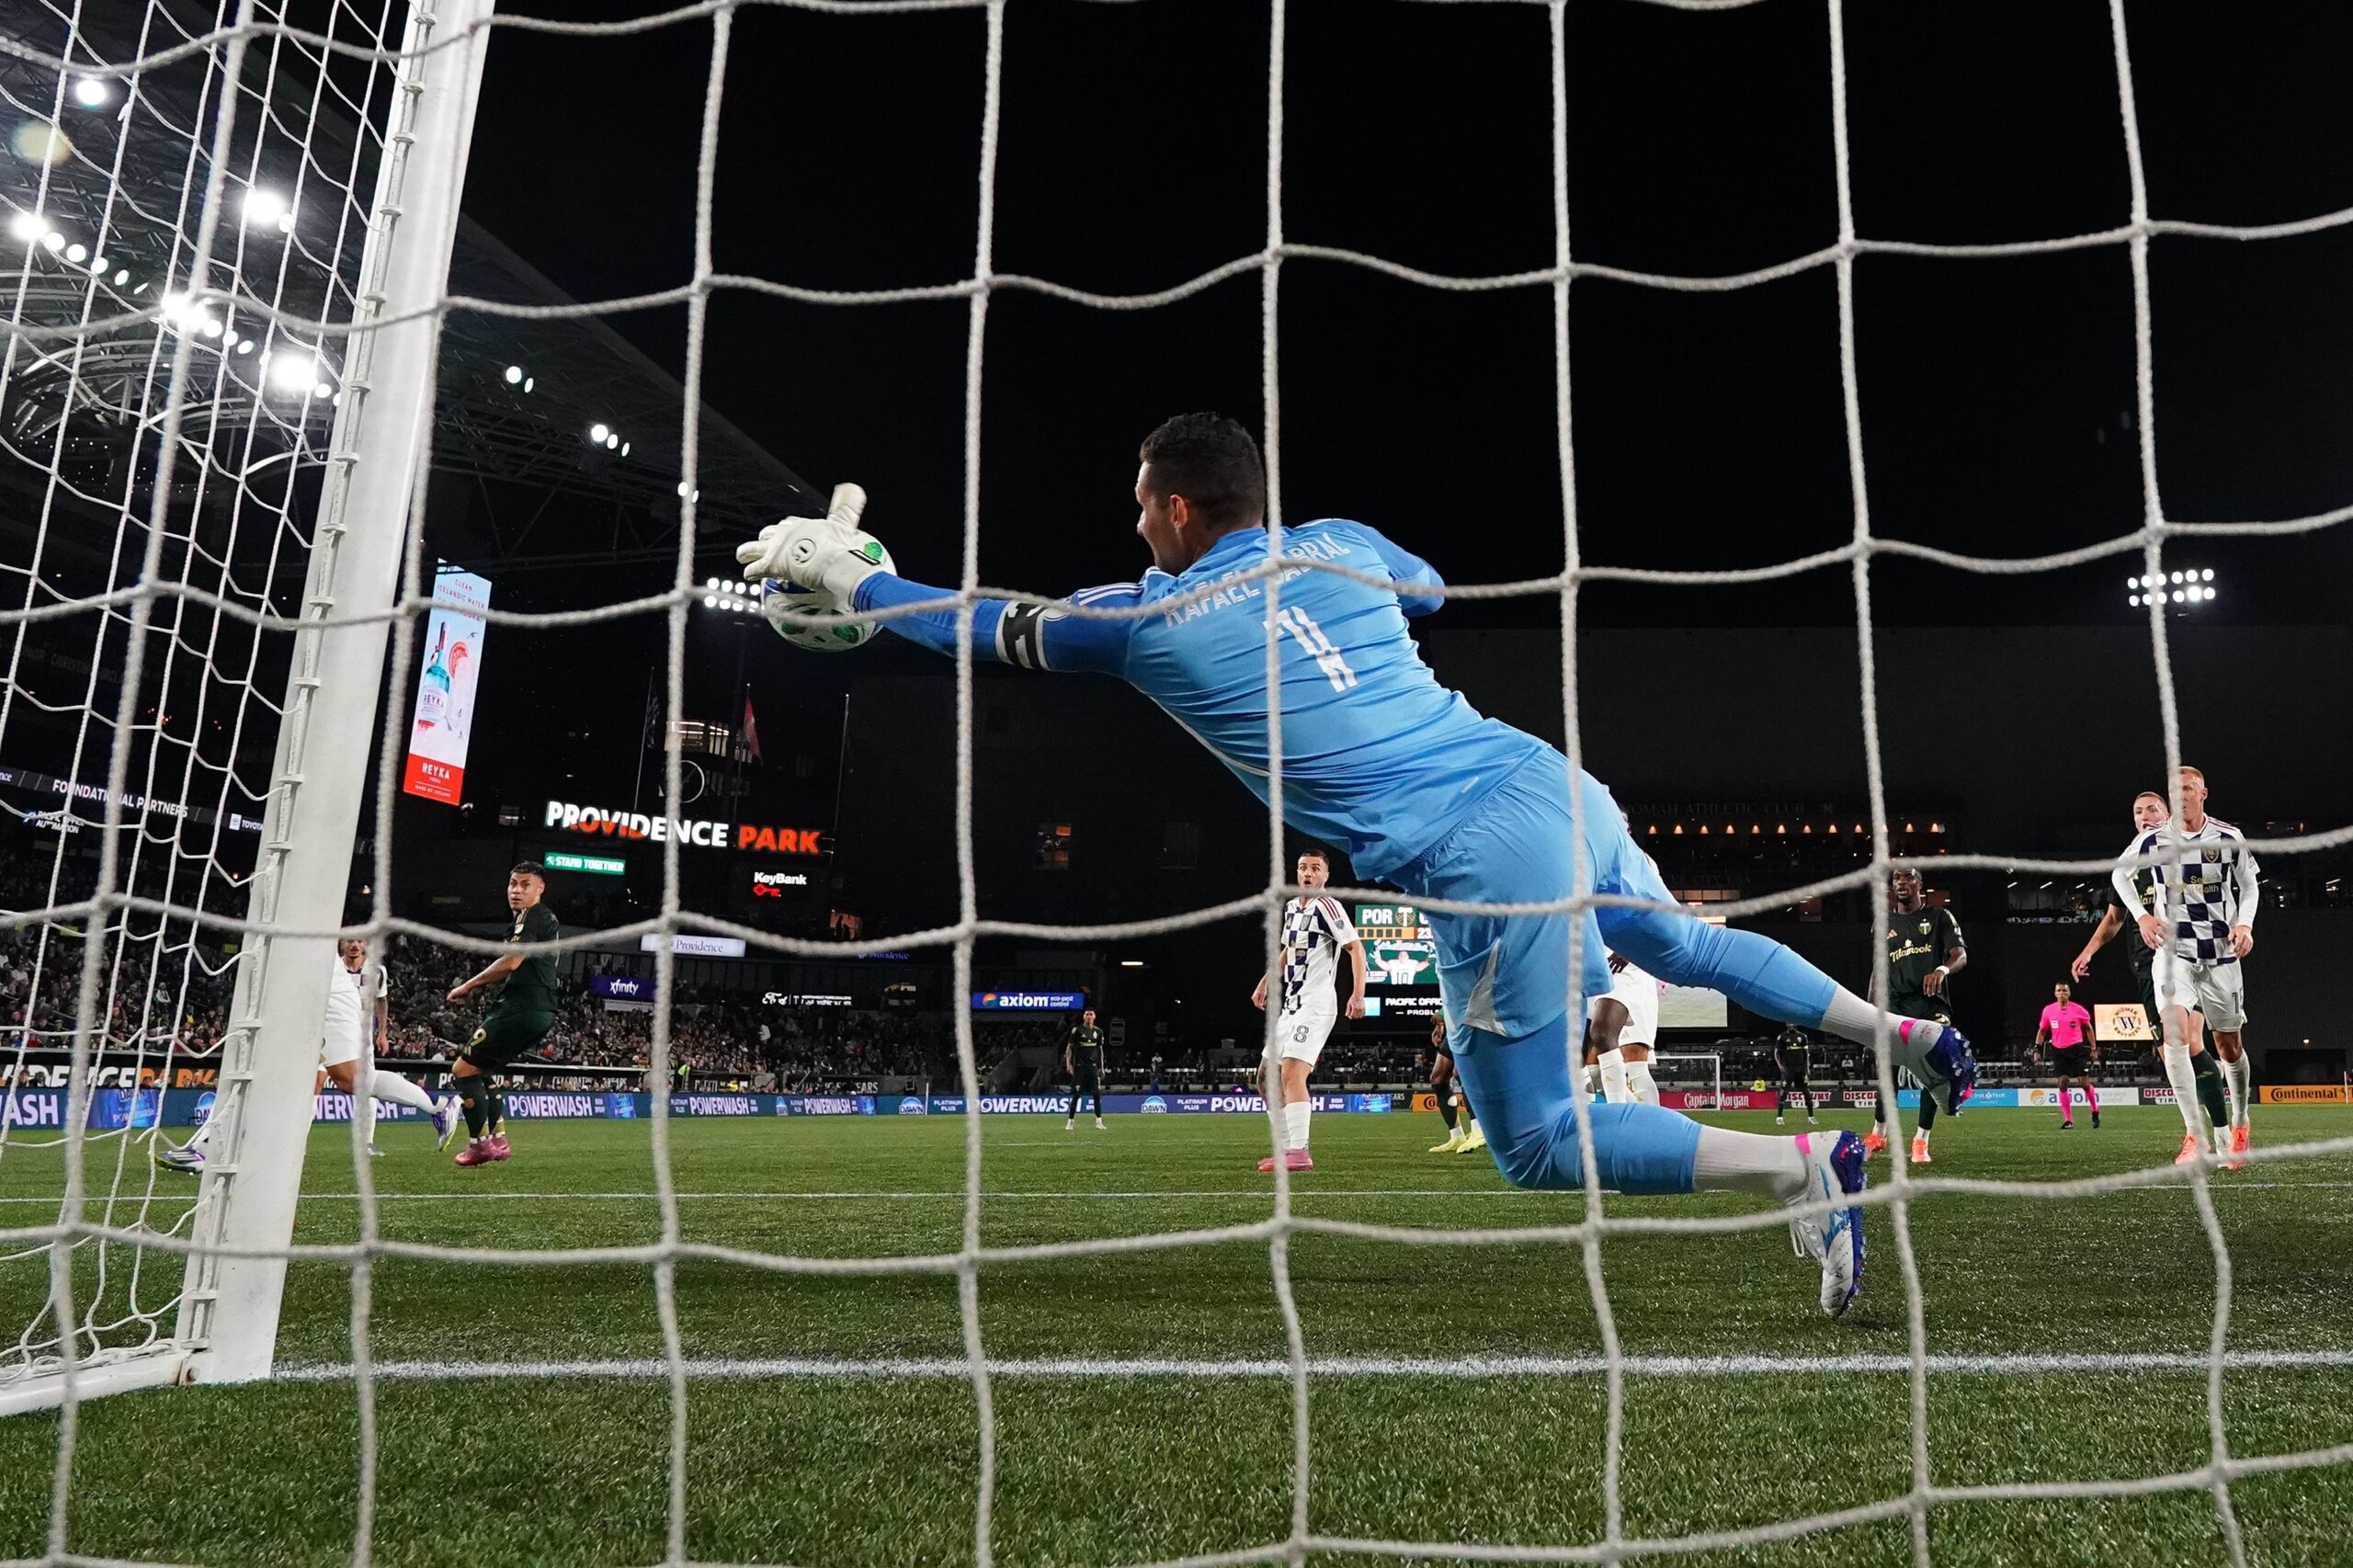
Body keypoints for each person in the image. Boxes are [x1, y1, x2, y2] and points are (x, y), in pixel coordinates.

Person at [739, 413, 1981, 1315]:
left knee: (1541, 1143)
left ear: (1174, 511)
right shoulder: (1339, 540)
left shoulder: (1146, 620)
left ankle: (1800, 1167)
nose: (1134, 521)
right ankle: (1909, 1037)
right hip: (1546, 774)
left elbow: (983, 627)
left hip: (1477, 852)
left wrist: (854, 578)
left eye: (1139, 503)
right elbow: (1426, 587)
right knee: (1679, 943)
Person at [157, 937, 457, 1173]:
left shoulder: (366, 968)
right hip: (303, 990)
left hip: (326, 995)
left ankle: (437, 1105)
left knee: (351, 1081)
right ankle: (205, 1147)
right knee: (265, 1069)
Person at [2115, 767, 2258, 1167]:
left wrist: (2244, 923)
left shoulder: (2228, 837)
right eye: (2174, 791)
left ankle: (2242, 1121)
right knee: (2174, 1033)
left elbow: (2250, 886)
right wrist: (2143, 916)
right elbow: (2119, 874)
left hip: (2221, 953)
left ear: (2203, 793)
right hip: (2174, 952)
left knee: (2228, 1047)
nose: (2181, 797)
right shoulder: (2152, 840)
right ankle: (2196, 1135)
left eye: (2188, 789)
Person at [2075, 790, 2229, 1143]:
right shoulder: (2130, 865)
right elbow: (2114, 918)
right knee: (2168, 1052)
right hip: (2148, 967)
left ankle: (2216, 1133)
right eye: (2137, 812)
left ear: (2168, 814)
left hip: (2193, 959)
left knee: (2189, 1043)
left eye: (2152, 809)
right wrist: (2088, 951)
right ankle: (2202, 1128)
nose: (2144, 816)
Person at [1245, 850, 1368, 1172]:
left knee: (1291, 1074)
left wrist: (1357, 995)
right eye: (1303, 868)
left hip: (1316, 1006)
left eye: (1315, 868)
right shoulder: (1291, 909)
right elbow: (1289, 949)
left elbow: (1356, 948)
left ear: (1326, 875)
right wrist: (1265, 982)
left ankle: (1299, 1153)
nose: (1308, 874)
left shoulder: (1327, 906)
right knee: (1264, 1078)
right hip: (1291, 1006)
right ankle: (1287, 1148)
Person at [442, 862, 562, 1168]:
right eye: (512, 884)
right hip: (542, 1010)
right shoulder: (544, 919)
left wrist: (468, 985)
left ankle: (478, 1145)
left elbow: (512, 961)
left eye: (525, 885)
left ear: (540, 888)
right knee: (481, 1070)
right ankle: (498, 1140)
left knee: (462, 1071)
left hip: (522, 1007)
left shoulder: (532, 917)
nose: (516, 891)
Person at [1860, 869, 1965, 1167]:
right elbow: (1877, 970)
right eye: (1896, 879)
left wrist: (1942, 970)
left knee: (1932, 1070)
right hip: (1895, 1007)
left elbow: (1960, 954)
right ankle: (1879, 1134)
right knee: (1887, 1073)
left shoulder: (1940, 918)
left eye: (1908, 878)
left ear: (1920, 884)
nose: (1901, 883)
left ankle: (1921, 1140)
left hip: (1931, 1008)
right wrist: (1870, 1012)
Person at [1585, 951, 1662, 1107]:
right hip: (1591, 966)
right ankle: (1641, 1120)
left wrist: (1629, 947)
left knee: (1631, 1059)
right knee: (1593, 1069)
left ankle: (1620, 1117)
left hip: (1626, 969)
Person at [2033, 981, 2100, 1131]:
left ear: (2069, 993)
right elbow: (2042, 1031)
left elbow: (2088, 1029)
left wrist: (2094, 1048)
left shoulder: (2078, 1010)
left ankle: (2095, 1111)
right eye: (2059, 991)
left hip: (2077, 1050)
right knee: (2063, 1083)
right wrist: (2037, 1049)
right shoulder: (2049, 1011)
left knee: (2084, 1083)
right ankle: (2068, 1120)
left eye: (2064, 990)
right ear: (2055, 993)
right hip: (2058, 1051)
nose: (2062, 993)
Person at [1427, 1011, 1484, 1154]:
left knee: (1461, 1072)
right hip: (1456, 1025)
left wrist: (1442, 1013)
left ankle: (1479, 1130)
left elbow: (1468, 990)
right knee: (1438, 1079)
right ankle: (1457, 1136)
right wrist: (1441, 1024)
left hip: (1473, 1021)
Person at [1063, 1006, 1106, 1131]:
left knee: (1097, 1094)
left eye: (1091, 1014)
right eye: (1086, 1014)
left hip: (1093, 1068)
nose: (1088, 1016)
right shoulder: (1077, 1030)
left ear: (1094, 1017)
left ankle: (1099, 1122)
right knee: (1076, 1095)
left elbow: (1100, 1050)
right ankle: (1070, 1121)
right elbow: (1069, 1047)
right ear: (1083, 1017)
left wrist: (1102, 1067)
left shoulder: (1098, 1032)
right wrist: (1068, 1063)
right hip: (1080, 1067)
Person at [1773, 1023, 1817, 1128]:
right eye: (1789, 1023)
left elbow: (1806, 1054)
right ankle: (1779, 1117)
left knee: (1806, 1092)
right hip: (1788, 1068)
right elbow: (1776, 1053)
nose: (1790, 1025)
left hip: (1800, 1068)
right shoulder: (1782, 1037)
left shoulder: (1802, 1037)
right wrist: (1780, 1066)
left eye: (1792, 1023)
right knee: (1783, 1092)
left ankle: (1811, 1117)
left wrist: (1807, 1069)